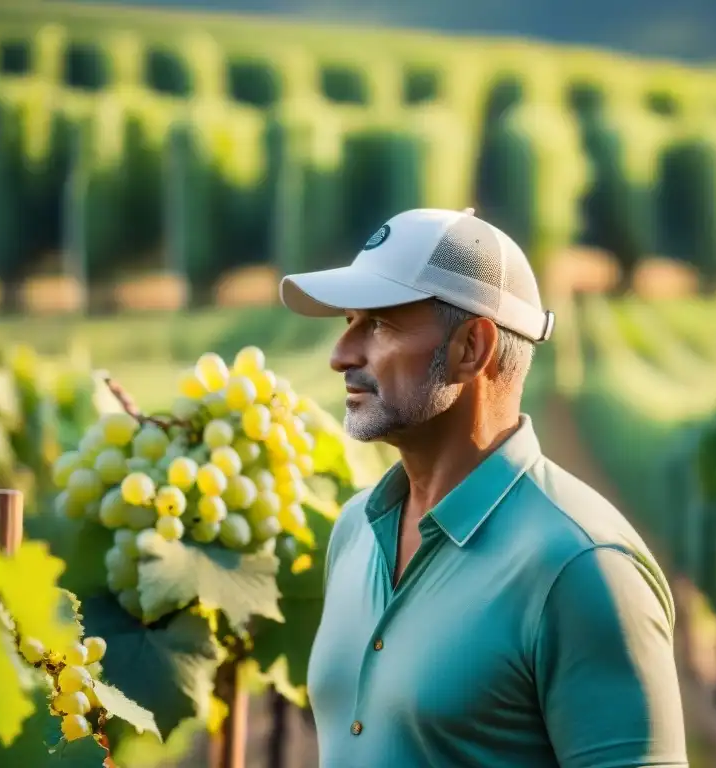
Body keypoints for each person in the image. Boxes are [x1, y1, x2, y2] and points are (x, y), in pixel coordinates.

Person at [281, 207, 689, 768]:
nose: (341, 355)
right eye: (346, 322)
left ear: (472, 346)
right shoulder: (354, 528)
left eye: (378, 324)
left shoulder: (583, 568)